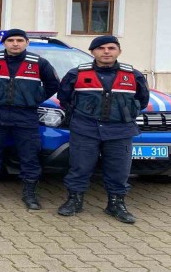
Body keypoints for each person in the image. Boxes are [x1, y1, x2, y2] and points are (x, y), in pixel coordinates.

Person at [56, 35, 149, 224]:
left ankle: (115, 205)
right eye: (101, 48)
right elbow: (64, 98)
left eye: (111, 48)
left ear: (119, 51)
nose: (106, 51)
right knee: (80, 167)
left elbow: (142, 100)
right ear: (93, 52)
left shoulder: (133, 75)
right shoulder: (76, 74)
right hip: (85, 129)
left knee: (119, 170)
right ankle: (75, 201)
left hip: (120, 131)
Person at [0, 28, 59, 209]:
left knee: (29, 156)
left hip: (25, 117)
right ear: (4, 43)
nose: (15, 44)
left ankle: (29, 194)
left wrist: (34, 98)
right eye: (11, 40)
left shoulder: (39, 63)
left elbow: (53, 85)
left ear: (27, 43)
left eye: (20, 40)